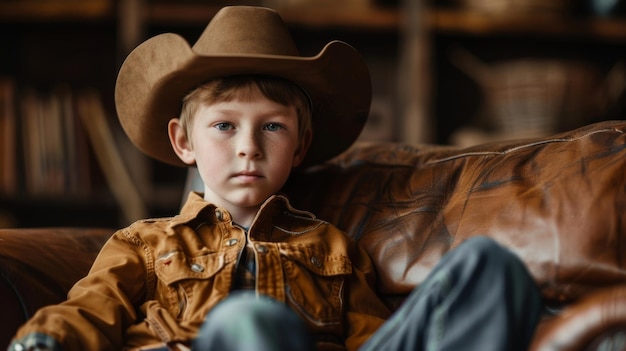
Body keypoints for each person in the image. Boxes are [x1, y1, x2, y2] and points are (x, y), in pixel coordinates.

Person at [8, 6, 542, 351]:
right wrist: (43, 343)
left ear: (300, 145)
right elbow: (88, 311)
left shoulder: (331, 247)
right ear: (183, 141)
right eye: (224, 125)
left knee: (489, 266)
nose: (248, 145)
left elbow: (369, 337)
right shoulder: (144, 245)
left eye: (272, 126)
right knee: (250, 322)